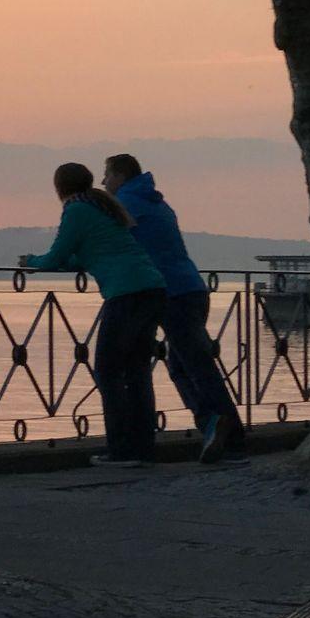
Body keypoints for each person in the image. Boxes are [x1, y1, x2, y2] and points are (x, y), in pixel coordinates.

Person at [19, 162, 168, 466]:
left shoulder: (76, 210)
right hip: (151, 288)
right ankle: (143, 448)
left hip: (126, 293)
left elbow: (56, 255)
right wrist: (64, 261)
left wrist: (30, 261)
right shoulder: (101, 205)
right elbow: (89, 253)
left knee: (108, 371)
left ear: (59, 187)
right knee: (137, 372)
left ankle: (121, 449)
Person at [102, 152, 246, 463]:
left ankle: (226, 433)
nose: (103, 182)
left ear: (121, 176)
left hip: (170, 293)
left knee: (196, 366)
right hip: (192, 287)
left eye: (107, 175)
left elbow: (106, 243)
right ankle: (217, 427)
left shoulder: (124, 204)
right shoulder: (158, 203)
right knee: (186, 365)